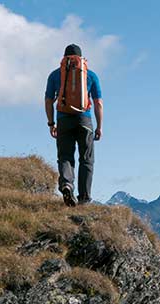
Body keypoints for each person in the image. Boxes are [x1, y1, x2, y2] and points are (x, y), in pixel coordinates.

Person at [45, 44, 103, 206]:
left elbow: (49, 100)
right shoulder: (90, 75)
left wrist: (51, 123)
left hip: (63, 120)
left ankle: (67, 184)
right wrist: (99, 126)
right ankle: (84, 198)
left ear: (64, 59)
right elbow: (98, 103)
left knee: (65, 156)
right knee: (86, 159)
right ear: (81, 59)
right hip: (84, 121)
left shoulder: (55, 75)